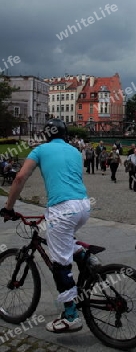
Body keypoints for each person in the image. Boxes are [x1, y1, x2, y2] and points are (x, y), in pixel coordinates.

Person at [0, 118, 90, 334]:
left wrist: (9, 208)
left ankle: (71, 317)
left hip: (62, 209)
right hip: (84, 206)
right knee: (60, 239)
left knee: (59, 264)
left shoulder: (40, 150)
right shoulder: (75, 152)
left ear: (46, 134)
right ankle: (86, 257)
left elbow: (20, 177)